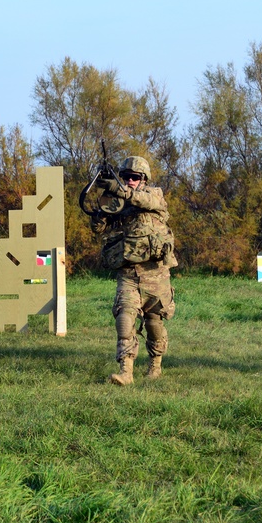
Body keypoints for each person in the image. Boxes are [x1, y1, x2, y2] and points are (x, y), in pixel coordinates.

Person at [88, 156, 177, 385]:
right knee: (125, 317)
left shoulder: (154, 195)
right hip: (128, 273)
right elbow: (100, 227)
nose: (129, 181)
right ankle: (126, 371)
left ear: (143, 179)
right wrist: (99, 214)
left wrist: (123, 192)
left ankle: (155, 364)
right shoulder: (116, 202)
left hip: (155, 273)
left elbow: (145, 201)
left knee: (154, 322)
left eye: (134, 178)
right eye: (125, 177)